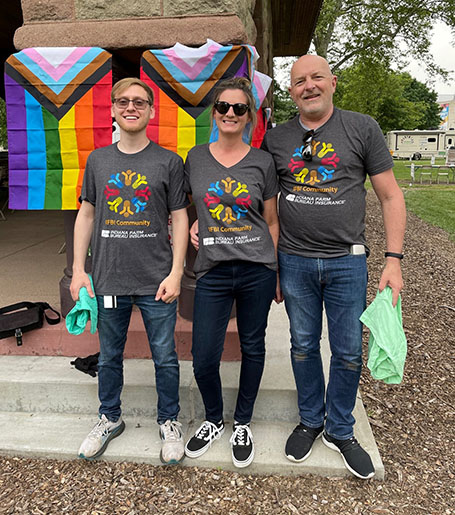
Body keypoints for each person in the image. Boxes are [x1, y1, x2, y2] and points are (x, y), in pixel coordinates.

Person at [261, 55, 406, 479]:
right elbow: (259, 198)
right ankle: (311, 419)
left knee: (346, 351)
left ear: (333, 83)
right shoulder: (276, 139)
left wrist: (393, 261)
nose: (309, 86)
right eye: (299, 81)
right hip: (294, 260)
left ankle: (340, 429)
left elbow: (391, 197)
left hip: (348, 262)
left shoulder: (362, 128)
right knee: (303, 345)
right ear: (291, 91)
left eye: (316, 78)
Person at [70, 77, 189, 464]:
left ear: (151, 110)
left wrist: (176, 272)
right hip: (108, 277)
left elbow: (180, 217)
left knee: (165, 356)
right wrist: (77, 269)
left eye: (139, 102)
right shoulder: (98, 160)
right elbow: (86, 214)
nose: (131, 107)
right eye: (123, 101)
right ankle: (109, 417)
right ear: (114, 110)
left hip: (156, 279)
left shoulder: (169, 162)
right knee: (108, 356)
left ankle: (169, 421)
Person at [183, 77, 280, 468]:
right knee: (204, 354)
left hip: (257, 268)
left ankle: (242, 421)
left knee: (253, 347)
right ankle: (212, 419)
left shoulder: (262, 161)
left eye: (239, 108)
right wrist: (193, 222)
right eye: (223, 106)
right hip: (212, 269)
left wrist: (274, 270)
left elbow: (271, 221)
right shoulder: (195, 157)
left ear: (249, 116)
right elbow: (186, 205)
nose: (230, 114)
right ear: (214, 111)